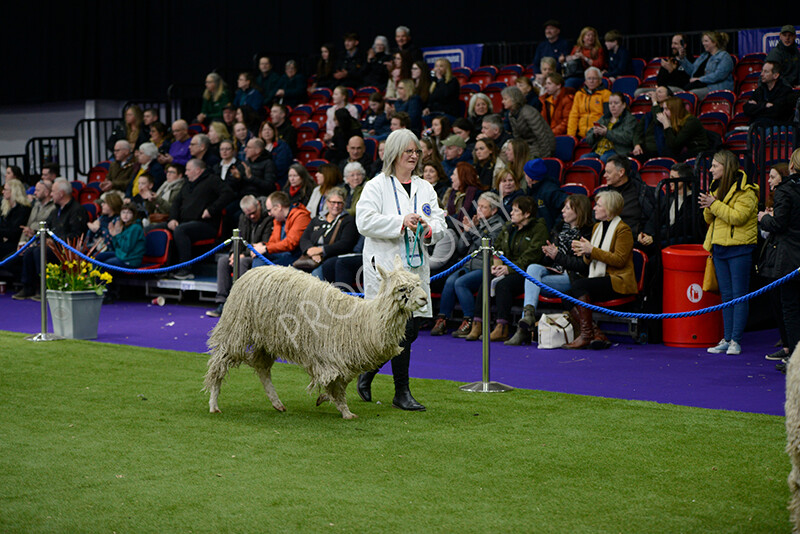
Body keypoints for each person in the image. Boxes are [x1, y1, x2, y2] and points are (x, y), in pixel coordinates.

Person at [355, 128, 447, 411]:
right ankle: (401, 392)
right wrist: (400, 221)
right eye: (409, 151)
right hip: (386, 270)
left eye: (417, 151)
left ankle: (368, 371)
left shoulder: (425, 187)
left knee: (411, 330)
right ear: (394, 153)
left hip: (415, 269)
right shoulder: (376, 186)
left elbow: (441, 222)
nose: (414, 156)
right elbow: (364, 222)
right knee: (400, 331)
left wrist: (429, 229)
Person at [506, 194, 594, 346]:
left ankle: (523, 331)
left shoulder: (588, 233)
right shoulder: (559, 228)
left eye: (567, 208)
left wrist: (557, 255)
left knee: (531, 280)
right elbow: (549, 261)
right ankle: (528, 316)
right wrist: (548, 254)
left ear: (578, 211)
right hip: (555, 271)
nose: (562, 211)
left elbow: (582, 266)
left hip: (573, 277)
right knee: (533, 268)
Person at [464, 196, 548, 342]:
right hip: (505, 268)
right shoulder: (509, 227)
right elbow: (495, 248)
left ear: (527, 214)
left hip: (525, 272)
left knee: (504, 285)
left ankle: (502, 326)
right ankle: (478, 323)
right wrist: (494, 265)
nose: (511, 213)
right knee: (486, 279)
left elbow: (532, 256)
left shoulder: (538, 229)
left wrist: (509, 269)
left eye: (516, 211)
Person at [699, 150, 758, 355]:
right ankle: (726, 338)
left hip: (740, 248)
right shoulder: (716, 188)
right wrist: (709, 205)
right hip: (719, 247)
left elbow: (738, 217)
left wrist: (714, 204)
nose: (711, 169)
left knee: (739, 295)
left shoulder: (747, 190)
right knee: (726, 296)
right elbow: (709, 219)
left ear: (726, 166)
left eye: (715, 165)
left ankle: (736, 340)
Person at [563, 190, 637, 349]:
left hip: (619, 279)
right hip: (600, 277)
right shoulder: (597, 226)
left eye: (598, 205)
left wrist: (591, 250)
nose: (594, 208)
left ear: (609, 209)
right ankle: (596, 334)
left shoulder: (623, 229)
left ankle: (585, 335)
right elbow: (591, 257)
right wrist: (583, 251)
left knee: (579, 285)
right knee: (566, 296)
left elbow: (619, 260)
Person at [431, 192, 505, 337]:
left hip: (485, 266)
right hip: (468, 264)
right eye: (479, 206)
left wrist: (472, 230)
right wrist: (466, 232)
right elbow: (461, 248)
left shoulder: (498, 225)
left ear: (494, 210)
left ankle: (470, 321)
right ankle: (442, 319)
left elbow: (488, 245)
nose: (479, 210)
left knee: (461, 283)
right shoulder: (478, 223)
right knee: (450, 281)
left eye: (484, 207)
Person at [13, 179, 88, 300]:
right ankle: (28, 286)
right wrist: (35, 233)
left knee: (39, 252)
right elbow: (46, 228)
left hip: (66, 249)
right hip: (52, 246)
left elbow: (77, 235)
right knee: (30, 251)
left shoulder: (77, 210)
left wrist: (55, 241)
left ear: (61, 193)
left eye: (53, 191)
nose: (51, 194)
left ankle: (46, 287)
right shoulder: (55, 211)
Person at [206, 195, 273, 318]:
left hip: (259, 254)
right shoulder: (243, 217)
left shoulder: (268, 217)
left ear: (258, 205)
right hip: (243, 252)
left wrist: (242, 255)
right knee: (223, 261)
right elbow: (238, 239)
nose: (252, 216)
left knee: (242, 262)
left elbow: (265, 242)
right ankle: (223, 303)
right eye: (249, 214)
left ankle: (241, 304)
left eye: (253, 213)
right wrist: (233, 254)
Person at [168, 159, 236, 280]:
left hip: (206, 224)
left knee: (181, 230)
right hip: (184, 222)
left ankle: (186, 269)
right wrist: (172, 218)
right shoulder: (187, 184)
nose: (186, 173)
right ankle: (165, 268)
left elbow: (228, 193)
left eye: (188, 170)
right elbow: (176, 203)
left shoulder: (212, 180)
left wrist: (212, 209)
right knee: (156, 228)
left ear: (198, 170)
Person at [755, 163, 791, 363]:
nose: (769, 181)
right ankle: (786, 345)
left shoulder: (788, 198)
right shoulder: (772, 199)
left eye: (773, 177)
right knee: (777, 303)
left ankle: (791, 348)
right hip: (772, 258)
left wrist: (768, 219)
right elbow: (766, 233)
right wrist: (766, 219)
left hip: (787, 259)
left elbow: (781, 226)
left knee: (789, 305)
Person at [298, 186, 358, 281]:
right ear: (327, 202)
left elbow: (345, 244)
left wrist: (320, 250)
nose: (336, 206)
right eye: (333, 202)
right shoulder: (317, 219)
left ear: (344, 204)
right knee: (294, 275)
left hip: (331, 258)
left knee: (315, 276)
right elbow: (304, 239)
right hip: (310, 257)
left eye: (339, 203)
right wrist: (310, 251)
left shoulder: (348, 220)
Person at [603, 155, 656, 248]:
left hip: (633, 241)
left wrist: (645, 233)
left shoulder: (641, 191)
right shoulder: (604, 193)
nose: (604, 175)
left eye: (608, 172)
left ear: (621, 172)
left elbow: (653, 216)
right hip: (607, 239)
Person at [252, 190, 311, 267]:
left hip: (295, 256)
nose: (269, 214)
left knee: (266, 266)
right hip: (282, 253)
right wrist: (262, 245)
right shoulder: (278, 219)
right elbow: (273, 242)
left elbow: (290, 243)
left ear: (278, 207)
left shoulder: (301, 217)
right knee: (258, 257)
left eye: (270, 210)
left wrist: (266, 248)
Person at [582, 92, 637, 162]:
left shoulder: (630, 119)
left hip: (617, 152)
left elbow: (628, 138)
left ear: (624, 105)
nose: (612, 106)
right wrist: (595, 134)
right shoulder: (604, 118)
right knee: (583, 158)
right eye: (610, 103)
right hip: (598, 152)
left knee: (604, 159)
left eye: (616, 103)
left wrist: (606, 133)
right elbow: (588, 139)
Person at [502, 86, 555, 158]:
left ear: (514, 99)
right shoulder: (511, 114)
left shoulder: (528, 112)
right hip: (528, 146)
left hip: (540, 147)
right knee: (505, 156)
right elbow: (517, 137)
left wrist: (545, 157)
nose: (502, 101)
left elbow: (542, 136)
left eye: (505, 99)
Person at [679, 31, 734, 100]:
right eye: (703, 41)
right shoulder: (703, 56)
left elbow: (718, 75)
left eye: (706, 41)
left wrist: (700, 79)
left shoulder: (724, 57)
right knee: (679, 94)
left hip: (714, 88)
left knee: (690, 95)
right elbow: (692, 71)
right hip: (698, 85)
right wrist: (683, 59)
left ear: (714, 42)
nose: (703, 43)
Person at [743, 61, 797, 126]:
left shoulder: (785, 91)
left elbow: (776, 112)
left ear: (775, 75)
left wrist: (757, 106)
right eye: (762, 71)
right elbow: (746, 109)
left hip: (775, 127)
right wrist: (765, 105)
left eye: (766, 72)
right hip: (757, 125)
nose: (761, 74)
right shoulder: (760, 90)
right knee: (730, 134)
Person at [95, 203, 145, 268]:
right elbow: (117, 247)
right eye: (123, 212)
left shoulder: (135, 228)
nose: (125, 215)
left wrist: (118, 235)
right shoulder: (124, 226)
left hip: (131, 259)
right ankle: (92, 278)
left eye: (129, 213)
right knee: (99, 257)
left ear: (133, 215)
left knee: (105, 264)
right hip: (122, 255)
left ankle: (100, 278)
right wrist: (114, 235)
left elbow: (126, 248)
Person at [522, 159, 566, 230]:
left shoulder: (551, 191)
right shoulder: (530, 190)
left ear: (531, 179)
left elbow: (569, 207)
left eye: (525, 174)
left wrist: (555, 228)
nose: (525, 177)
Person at [567, 67, 611, 138]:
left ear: (600, 81)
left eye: (594, 78)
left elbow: (607, 117)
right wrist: (571, 136)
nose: (591, 81)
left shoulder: (606, 94)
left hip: (597, 135)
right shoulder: (579, 94)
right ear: (585, 81)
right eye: (589, 78)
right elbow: (573, 116)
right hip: (581, 135)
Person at [632, 86, 673, 160]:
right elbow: (638, 131)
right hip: (644, 149)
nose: (656, 94)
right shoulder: (648, 115)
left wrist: (654, 102)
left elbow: (658, 120)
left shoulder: (669, 113)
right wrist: (637, 145)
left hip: (659, 150)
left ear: (668, 97)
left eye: (660, 92)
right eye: (656, 91)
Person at [17, 178, 54, 248]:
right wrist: (21, 243)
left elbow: (48, 229)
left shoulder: (54, 208)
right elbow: (27, 226)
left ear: (46, 192)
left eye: (38, 190)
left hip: (40, 243)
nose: (34, 193)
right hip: (28, 242)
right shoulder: (36, 205)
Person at [0, 180, 32, 260]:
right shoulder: (6, 208)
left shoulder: (23, 209)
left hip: (16, 243)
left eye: (5, 189)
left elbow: (15, 232)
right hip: (5, 241)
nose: (3, 192)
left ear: (13, 191)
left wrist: (4, 233)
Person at [258, 121, 292, 185]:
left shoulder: (282, 146)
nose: (267, 132)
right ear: (261, 132)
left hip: (278, 180)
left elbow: (282, 166)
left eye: (269, 129)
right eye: (264, 130)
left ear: (274, 131)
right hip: (261, 179)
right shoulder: (258, 146)